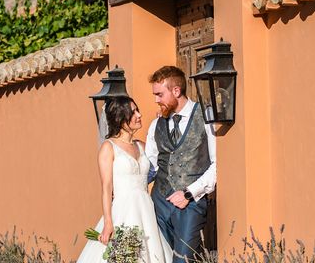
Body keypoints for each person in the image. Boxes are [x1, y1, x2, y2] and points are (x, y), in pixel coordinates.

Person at [76, 95, 173, 263]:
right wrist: (108, 222)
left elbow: (160, 168)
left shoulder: (142, 146)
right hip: (123, 211)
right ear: (120, 118)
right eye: (133, 112)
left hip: (147, 212)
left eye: (138, 110)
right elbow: (106, 188)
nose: (139, 115)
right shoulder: (109, 147)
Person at [145, 66, 216, 263]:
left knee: (182, 260)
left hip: (190, 204)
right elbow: (150, 166)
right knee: (160, 259)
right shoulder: (155, 125)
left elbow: (217, 165)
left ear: (176, 91)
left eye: (159, 94)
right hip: (159, 203)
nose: (156, 100)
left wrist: (189, 193)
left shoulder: (206, 118)